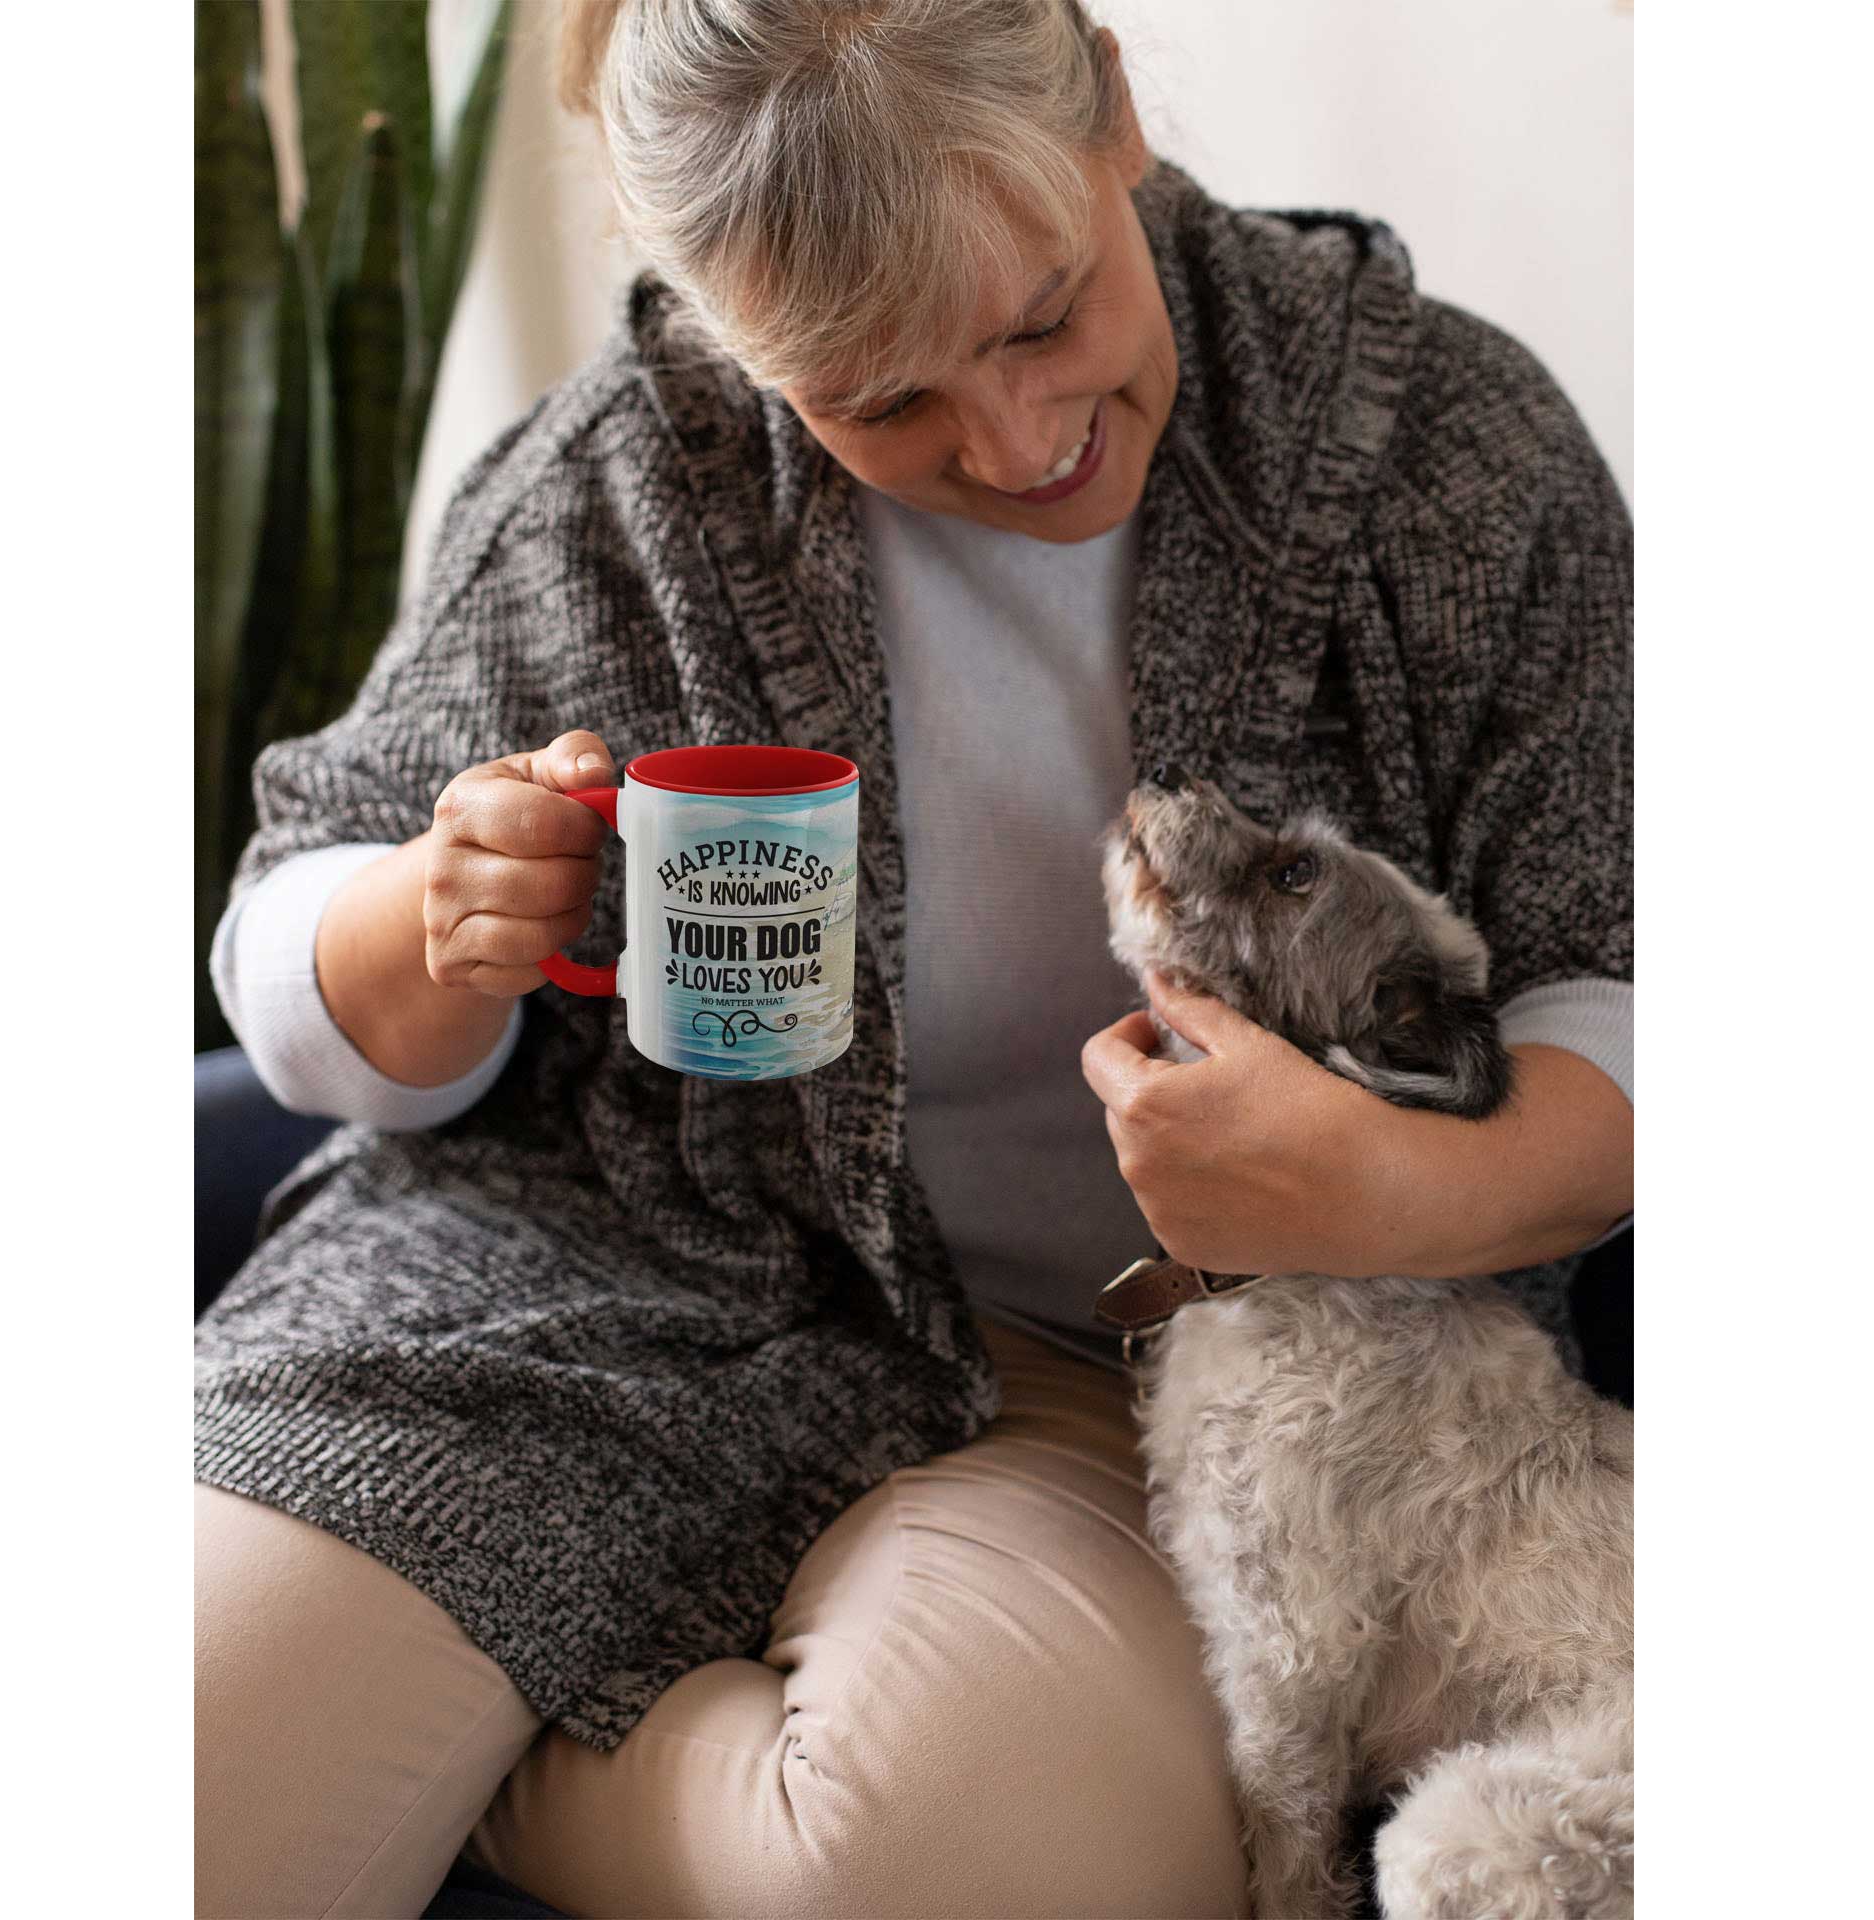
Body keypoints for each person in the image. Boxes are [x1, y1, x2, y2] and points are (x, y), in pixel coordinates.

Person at [194, 2, 1633, 1914]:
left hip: (1108, 1383)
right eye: (878, 399)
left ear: (1113, 108)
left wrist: (1394, 1191)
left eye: (1045, 318)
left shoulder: (1439, 454)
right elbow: (292, 948)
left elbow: (1636, 972)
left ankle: (483, 1733)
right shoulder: (612, 492)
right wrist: (430, 927)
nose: (1022, 439)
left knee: (1003, 1866)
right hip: (562, 1288)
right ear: (731, 335)